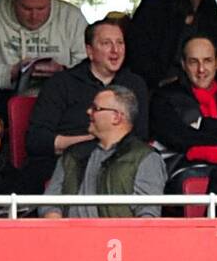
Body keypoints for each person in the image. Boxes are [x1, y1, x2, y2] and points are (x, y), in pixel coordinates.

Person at [23, 19, 149, 190]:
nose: (116, 50)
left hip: (121, 165)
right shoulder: (61, 83)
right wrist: (90, 142)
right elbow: (37, 140)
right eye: (106, 43)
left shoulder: (135, 84)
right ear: (89, 51)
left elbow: (141, 136)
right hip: (67, 163)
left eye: (120, 43)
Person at [38, 86, 164, 219]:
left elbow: (148, 215)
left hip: (118, 238)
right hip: (71, 236)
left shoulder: (146, 157)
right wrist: (57, 228)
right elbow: (50, 203)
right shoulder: (72, 155)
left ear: (116, 117)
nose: (88, 111)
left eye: (96, 108)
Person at [150, 34, 217, 193]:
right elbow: (178, 137)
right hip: (183, 170)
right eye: (193, 62)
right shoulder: (164, 96)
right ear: (183, 64)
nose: (201, 69)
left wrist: (206, 125)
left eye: (207, 61)